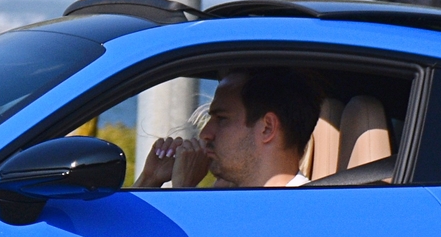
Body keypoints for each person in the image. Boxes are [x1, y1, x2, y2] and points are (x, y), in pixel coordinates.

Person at [134, 68, 319, 189]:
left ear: (267, 128)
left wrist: (183, 191)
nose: (205, 133)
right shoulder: (238, 203)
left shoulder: (296, 211)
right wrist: (150, 180)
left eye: (221, 119)